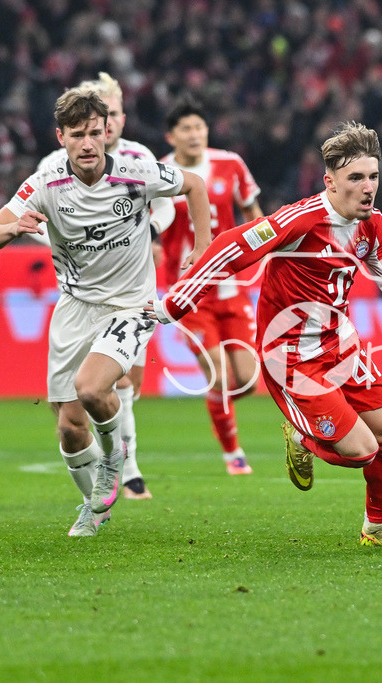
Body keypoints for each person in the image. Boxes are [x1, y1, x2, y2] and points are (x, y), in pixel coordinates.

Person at [149, 122, 382, 547]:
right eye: (355, 177)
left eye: (373, 176)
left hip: (340, 345)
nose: (367, 186)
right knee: (362, 450)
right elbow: (232, 246)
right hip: (292, 357)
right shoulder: (299, 220)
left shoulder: (373, 226)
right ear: (331, 181)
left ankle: (376, 528)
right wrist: (176, 302)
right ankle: (301, 435)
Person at [0, 87, 211, 537]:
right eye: (78, 134)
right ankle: (93, 506)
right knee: (67, 427)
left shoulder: (135, 173)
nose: (88, 143)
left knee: (91, 388)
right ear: (60, 137)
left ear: (108, 133)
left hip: (130, 305)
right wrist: (11, 228)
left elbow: (193, 185)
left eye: (96, 133)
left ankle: (114, 462)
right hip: (74, 306)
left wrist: (202, 244)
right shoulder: (44, 184)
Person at [36, 72, 174, 500]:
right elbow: (40, 218)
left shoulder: (138, 158)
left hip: (130, 288)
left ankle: (128, 472)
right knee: (69, 412)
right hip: (80, 292)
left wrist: (146, 229)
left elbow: (169, 203)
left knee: (122, 383)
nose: (107, 125)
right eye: (100, 117)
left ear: (120, 118)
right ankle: (103, 485)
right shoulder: (53, 169)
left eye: (112, 115)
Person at [157, 96, 264, 475]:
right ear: (171, 136)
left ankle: (226, 418)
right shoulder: (159, 173)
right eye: (185, 128)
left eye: (199, 126)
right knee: (218, 375)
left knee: (248, 380)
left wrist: (265, 246)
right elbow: (150, 226)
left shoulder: (230, 163)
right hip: (189, 292)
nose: (194, 134)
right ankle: (233, 454)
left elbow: (251, 210)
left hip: (232, 287)